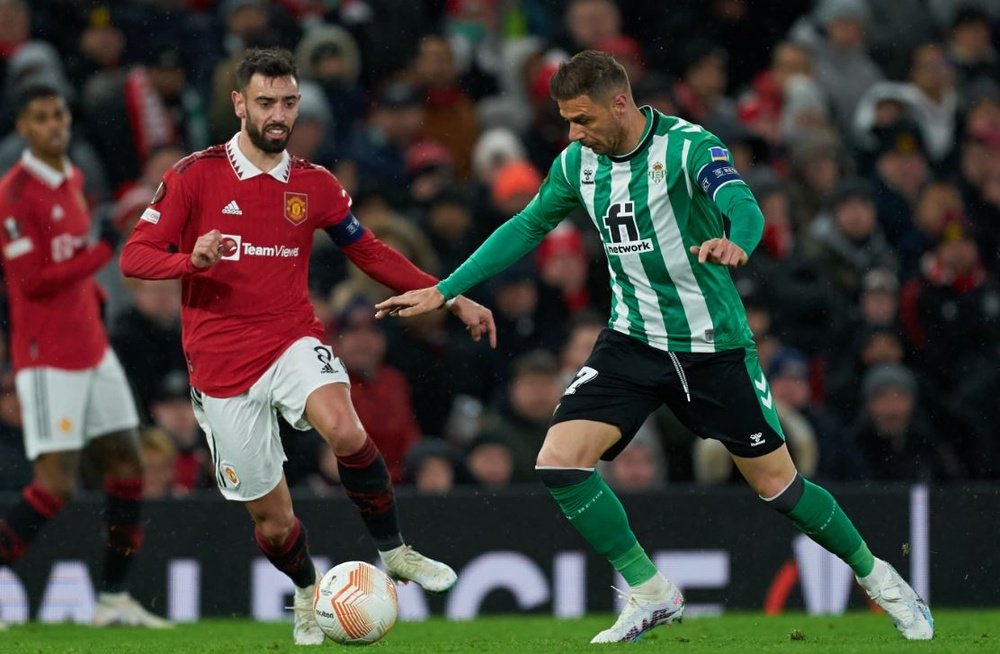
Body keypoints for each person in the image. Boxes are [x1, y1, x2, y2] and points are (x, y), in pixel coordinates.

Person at [375, 50, 934, 643]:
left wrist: (737, 241)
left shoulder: (689, 146)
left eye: (583, 119)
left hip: (712, 346)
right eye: (567, 120)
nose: (574, 134)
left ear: (621, 102)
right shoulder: (576, 164)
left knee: (779, 487)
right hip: (633, 340)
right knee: (559, 462)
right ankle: (649, 590)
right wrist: (444, 290)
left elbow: (740, 202)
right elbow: (528, 225)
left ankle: (882, 581)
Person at [119, 48, 495, 646]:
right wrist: (190, 259)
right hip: (220, 365)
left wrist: (448, 294)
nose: (278, 114)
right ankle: (303, 589)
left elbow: (369, 251)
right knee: (273, 523)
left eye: (289, 103)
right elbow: (133, 258)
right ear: (240, 103)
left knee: (345, 428)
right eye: (266, 102)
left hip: (292, 337)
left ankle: (394, 552)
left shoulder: (315, 184)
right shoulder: (194, 176)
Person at [0, 84, 168, 628]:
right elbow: (29, 279)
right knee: (54, 482)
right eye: (41, 117)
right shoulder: (14, 193)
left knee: (127, 465)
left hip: (92, 349)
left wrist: (92, 294)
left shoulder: (73, 179)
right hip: (47, 354)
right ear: (23, 128)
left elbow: (68, 270)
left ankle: (114, 600)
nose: (54, 126)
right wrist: (100, 253)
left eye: (59, 115)